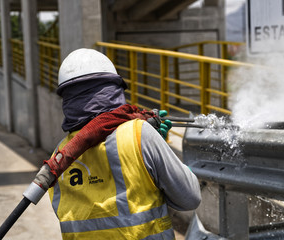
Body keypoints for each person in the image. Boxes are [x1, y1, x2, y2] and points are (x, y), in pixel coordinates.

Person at [45, 48, 201, 239]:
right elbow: (189, 199)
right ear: (113, 87)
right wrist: (160, 150)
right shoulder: (139, 135)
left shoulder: (58, 157)